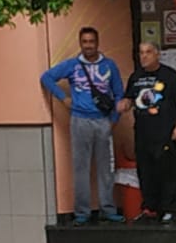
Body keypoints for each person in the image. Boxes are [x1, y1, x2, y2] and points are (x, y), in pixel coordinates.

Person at [40, 27, 128, 225]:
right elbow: (46, 78)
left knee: (106, 168)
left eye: (91, 41)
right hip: (79, 120)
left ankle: (108, 209)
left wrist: (114, 120)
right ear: (81, 44)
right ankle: (82, 212)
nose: (88, 46)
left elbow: (119, 94)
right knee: (81, 168)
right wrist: (63, 98)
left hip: (103, 121)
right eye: (85, 42)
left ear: (97, 43)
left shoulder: (109, 65)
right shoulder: (72, 65)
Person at [129, 42, 176, 224]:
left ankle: (169, 209)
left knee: (167, 172)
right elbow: (129, 99)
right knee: (146, 172)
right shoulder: (135, 76)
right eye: (141, 53)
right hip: (143, 133)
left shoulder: (169, 75)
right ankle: (149, 208)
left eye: (148, 52)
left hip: (165, 133)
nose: (143, 56)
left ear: (157, 54)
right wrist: (124, 104)